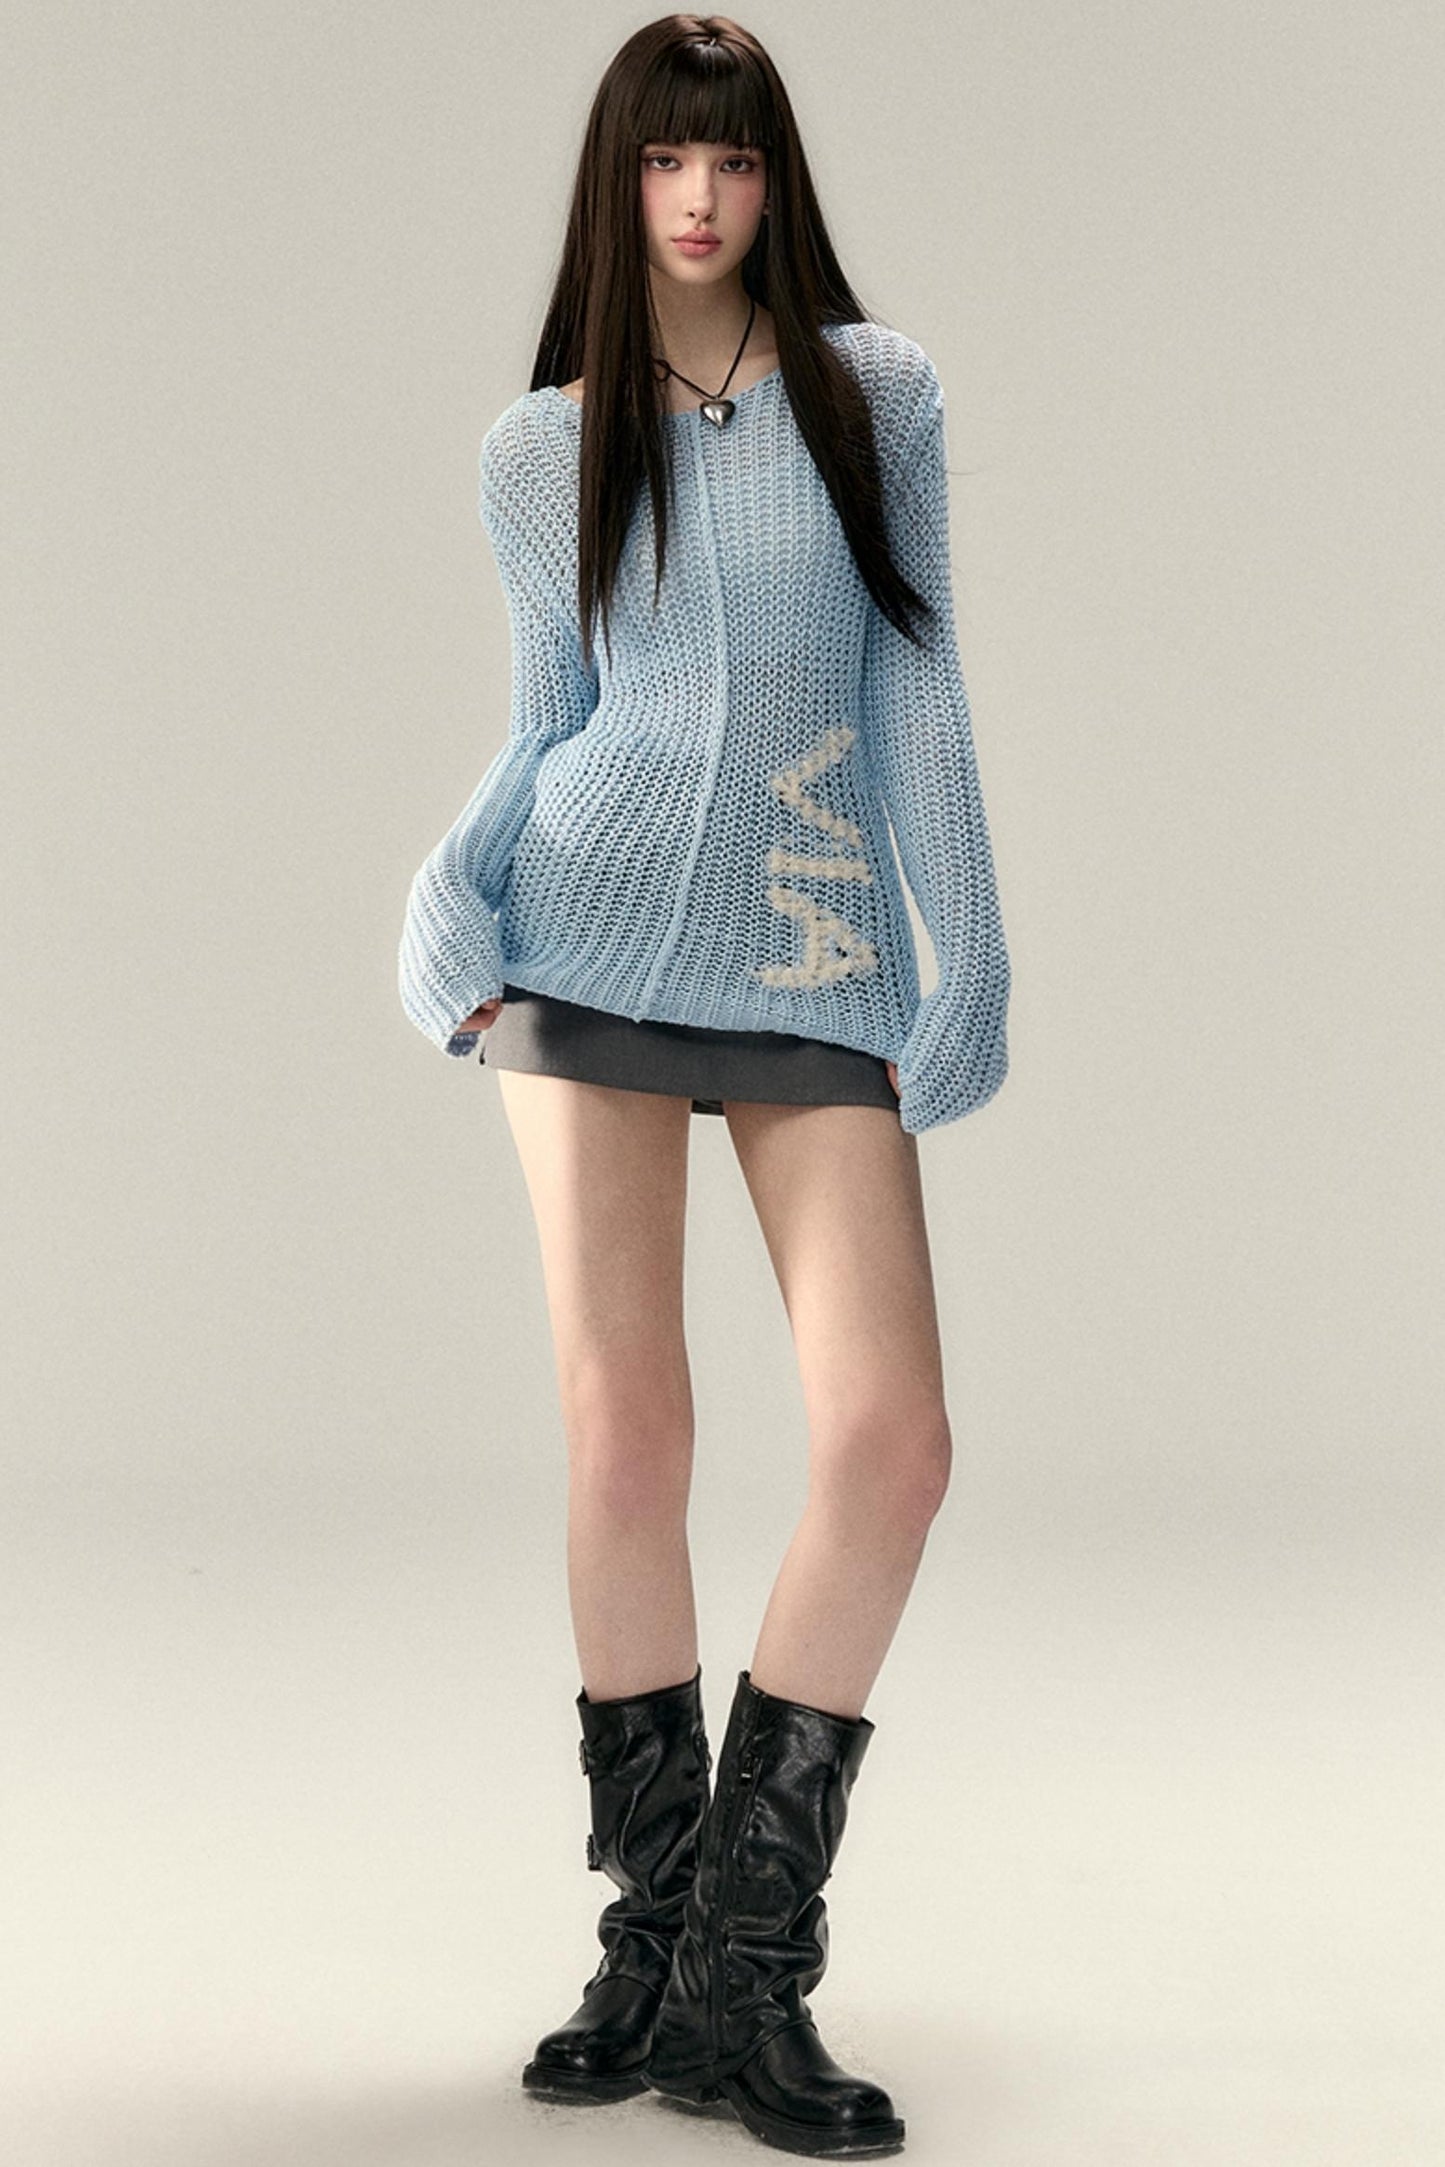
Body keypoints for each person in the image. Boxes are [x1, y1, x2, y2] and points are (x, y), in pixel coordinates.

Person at [397, 15, 1011, 2159]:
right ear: (621, 180)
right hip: (578, 944)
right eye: (668, 159)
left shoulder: (874, 393)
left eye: (735, 160)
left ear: (774, 182)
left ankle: (746, 1970)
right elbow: (548, 716)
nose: (702, 197)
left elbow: (919, 682)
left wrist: (967, 946)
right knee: (628, 1429)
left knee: (891, 1442)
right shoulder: (539, 445)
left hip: (813, 945)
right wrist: (449, 905)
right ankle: (660, 1951)